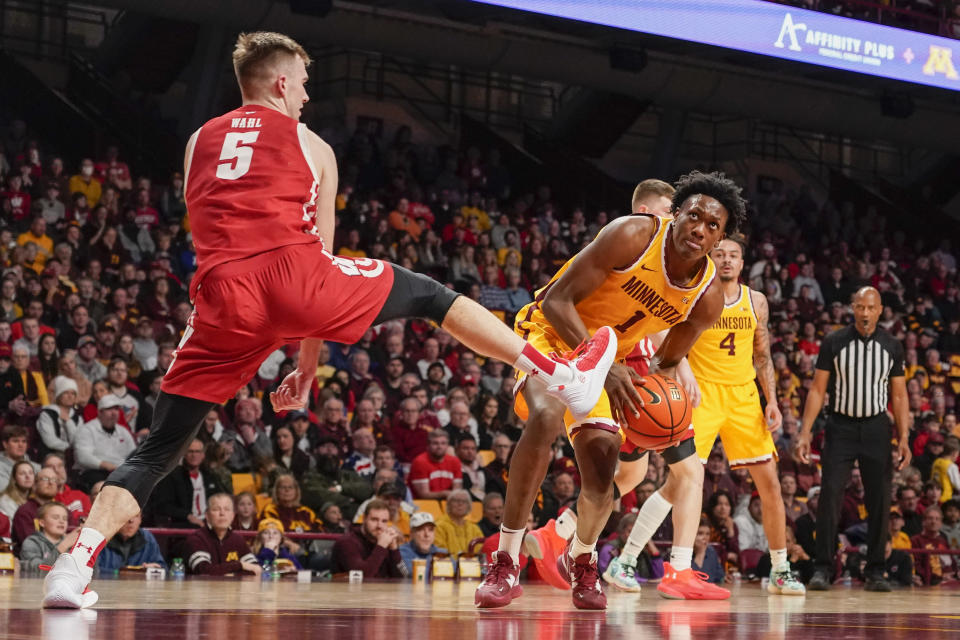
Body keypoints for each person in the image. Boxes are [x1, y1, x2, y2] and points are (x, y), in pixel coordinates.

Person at [43, 31, 616, 609]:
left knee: (157, 450)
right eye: (305, 85)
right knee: (427, 295)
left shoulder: (198, 139)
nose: (307, 98)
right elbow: (319, 256)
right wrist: (307, 363)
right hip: (292, 276)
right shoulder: (310, 143)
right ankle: (562, 375)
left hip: (219, 297)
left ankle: (70, 569)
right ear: (283, 82)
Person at [478, 173, 746, 610]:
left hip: (610, 361)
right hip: (553, 334)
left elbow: (666, 363)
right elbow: (556, 301)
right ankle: (506, 561)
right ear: (675, 214)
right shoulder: (632, 235)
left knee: (604, 471)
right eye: (693, 216)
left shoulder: (708, 295)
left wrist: (648, 401)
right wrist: (606, 367)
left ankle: (582, 559)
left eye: (712, 226)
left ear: (720, 237)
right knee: (545, 417)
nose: (700, 229)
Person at [681, 236, 803, 595]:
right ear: (709, 259)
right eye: (719, 254)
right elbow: (675, 343)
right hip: (702, 394)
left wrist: (772, 401)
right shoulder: (695, 294)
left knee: (770, 485)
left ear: (742, 263)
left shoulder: (756, 301)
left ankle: (780, 569)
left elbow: (762, 356)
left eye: (733, 255)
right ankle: (656, 562)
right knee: (682, 482)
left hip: (744, 397)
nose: (727, 260)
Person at [797, 287, 911, 592]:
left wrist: (904, 438)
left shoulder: (892, 345)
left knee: (880, 500)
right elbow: (818, 390)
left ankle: (875, 571)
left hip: (876, 428)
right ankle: (823, 568)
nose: (864, 313)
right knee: (830, 498)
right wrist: (805, 432)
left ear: (879, 310)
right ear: (852, 308)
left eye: (870, 308)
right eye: (859, 306)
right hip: (840, 427)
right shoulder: (834, 341)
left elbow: (899, 395)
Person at [149, 438, 227, 527]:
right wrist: (187, 516)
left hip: (209, 523)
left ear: (203, 455)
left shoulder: (210, 476)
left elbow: (221, 498)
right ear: (184, 454)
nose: (194, 455)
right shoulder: (172, 477)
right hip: (184, 525)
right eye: (190, 451)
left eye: (197, 452)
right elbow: (163, 506)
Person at [184, 493, 261, 577]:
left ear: (233, 515)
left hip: (233, 590)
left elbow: (255, 569)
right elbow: (203, 571)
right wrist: (240, 565)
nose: (222, 513)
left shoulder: (238, 539)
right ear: (207, 515)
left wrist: (229, 574)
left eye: (227, 509)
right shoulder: (196, 539)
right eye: (216, 509)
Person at [73, 394, 137, 491]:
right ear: (99, 412)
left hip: (122, 472)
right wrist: (105, 465)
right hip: (95, 471)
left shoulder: (123, 431)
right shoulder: (86, 430)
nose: (114, 413)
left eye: (116, 409)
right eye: (109, 409)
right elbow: (83, 457)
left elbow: (134, 455)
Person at [332, 498, 406, 577]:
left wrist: (394, 550)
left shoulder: (385, 542)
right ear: (364, 519)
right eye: (374, 520)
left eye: (384, 521)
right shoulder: (346, 542)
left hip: (381, 589)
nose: (379, 526)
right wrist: (381, 546)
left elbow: (402, 578)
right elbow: (362, 576)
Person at [19, 502, 79, 572]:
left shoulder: (71, 543)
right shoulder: (31, 543)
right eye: (55, 517)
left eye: (65, 519)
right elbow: (40, 570)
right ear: (42, 523)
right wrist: (64, 546)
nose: (61, 521)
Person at [95, 513, 166, 571]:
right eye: (127, 515)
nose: (131, 520)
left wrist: (155, 569)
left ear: (140, 519)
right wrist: (121, 573)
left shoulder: (147, 538)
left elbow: (163, 568)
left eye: (136, 516)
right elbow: (93, 571)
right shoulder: (102, 537)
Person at [408, 429, 462, 500]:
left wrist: (449, 495)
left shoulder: (455, 461)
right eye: (435, 443)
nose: (439, 447)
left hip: (449, 503)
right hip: (423, 505)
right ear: (428, 445)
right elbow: (423, 495)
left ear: (447, 446)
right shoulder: (420, 462)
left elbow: (456, 492)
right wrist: (445, 494)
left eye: (443, 443)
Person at [36, 376, 82, 460]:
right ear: (59, 395)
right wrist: (70, 449)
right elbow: (50, 441)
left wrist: (68, 422)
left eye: (73, 393)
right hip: (51, 454)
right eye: (66, 393)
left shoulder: (78, 418)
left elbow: (78, 441)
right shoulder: (47, 414)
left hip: (73, 455)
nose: (70, 396)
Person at [434, 489, 483, 557]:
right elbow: (440, 552)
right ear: (448, 504)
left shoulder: (474, 528)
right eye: (456, 500)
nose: (460, 504)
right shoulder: (439, 526)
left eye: (464, 501)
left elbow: (480, 551)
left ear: (469, 506)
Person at [911, 505, 951, 586]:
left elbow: (950, 562)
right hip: (928, 583)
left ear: (941, 523)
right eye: (930, 518)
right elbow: (917, 565)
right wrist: (939, 577)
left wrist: (953, 573)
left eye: (937, 519)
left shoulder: (943, 540)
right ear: (923, 521)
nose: (934, 522)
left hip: (947, 581)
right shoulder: (915, 540)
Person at [691, 520, 725, 585]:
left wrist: (724, 577)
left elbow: (720, 576)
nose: (705, 538)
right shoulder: (682, 553)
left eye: (707, 534)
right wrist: (700, 553)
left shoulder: (711, 551)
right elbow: (696, 581)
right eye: (700, 533)